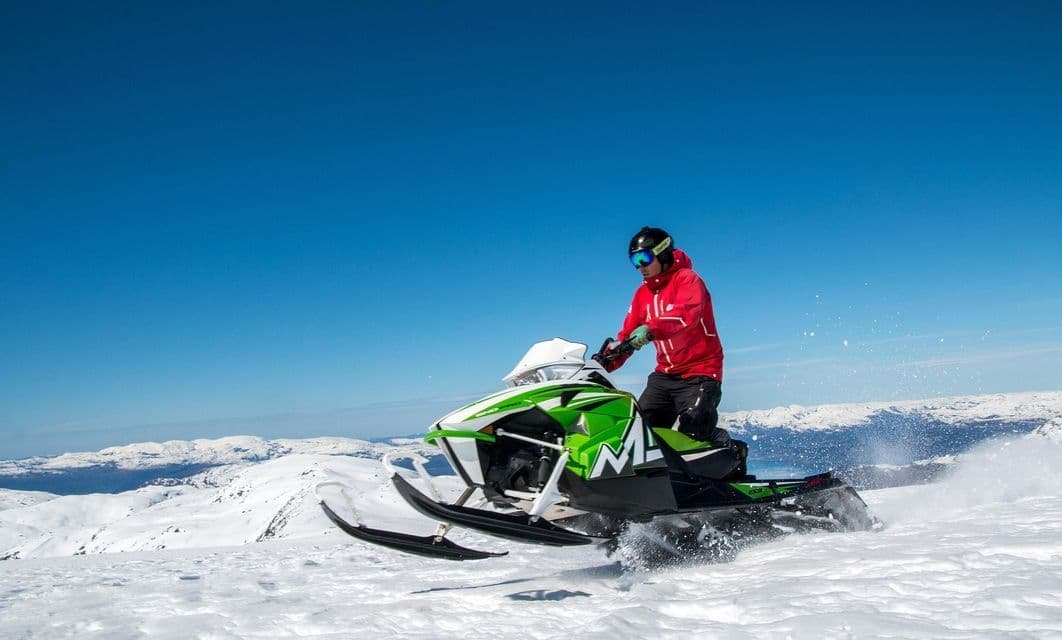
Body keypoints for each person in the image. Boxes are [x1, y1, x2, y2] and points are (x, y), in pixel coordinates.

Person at [597, 226, 729, 445]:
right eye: (634, 261)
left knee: (694, 429)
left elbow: (685, 314)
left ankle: (724, 448)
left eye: (644, 258)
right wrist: (604, 363)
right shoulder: (642, 294)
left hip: (700, 372)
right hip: (665, 377)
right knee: (639, 435)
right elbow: (627, 335)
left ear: (662, 253)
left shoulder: (687, 280)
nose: (640, 267)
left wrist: (650, 330)